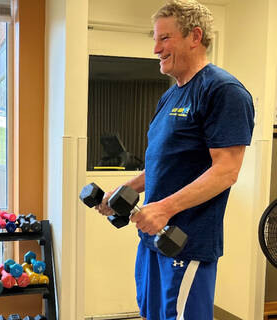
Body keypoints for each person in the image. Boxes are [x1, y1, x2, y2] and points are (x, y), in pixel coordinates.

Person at [95, 1, 254, 319]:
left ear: (195, 37)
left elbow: (226, 171)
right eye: (155, 39)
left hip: (185, 244)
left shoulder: (223, 91)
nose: (156, 49)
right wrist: (124, 191)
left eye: (164, 38)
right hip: (152, 240)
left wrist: (165, 208)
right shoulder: (171, 95)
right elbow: (163, 162)